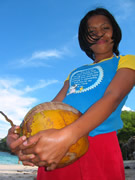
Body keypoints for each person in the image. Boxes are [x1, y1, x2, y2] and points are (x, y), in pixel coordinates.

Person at [6, 8, 135, 180]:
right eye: (92, 31)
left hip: (98, 143)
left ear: (114, 32)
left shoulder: (126, 61)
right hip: (57, 145)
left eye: (105, 28)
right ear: (85, 39)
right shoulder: (75, 72)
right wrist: (20, 138)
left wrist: (68, 135)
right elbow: (50, 107)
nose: (99, 34)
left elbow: (113, 97)